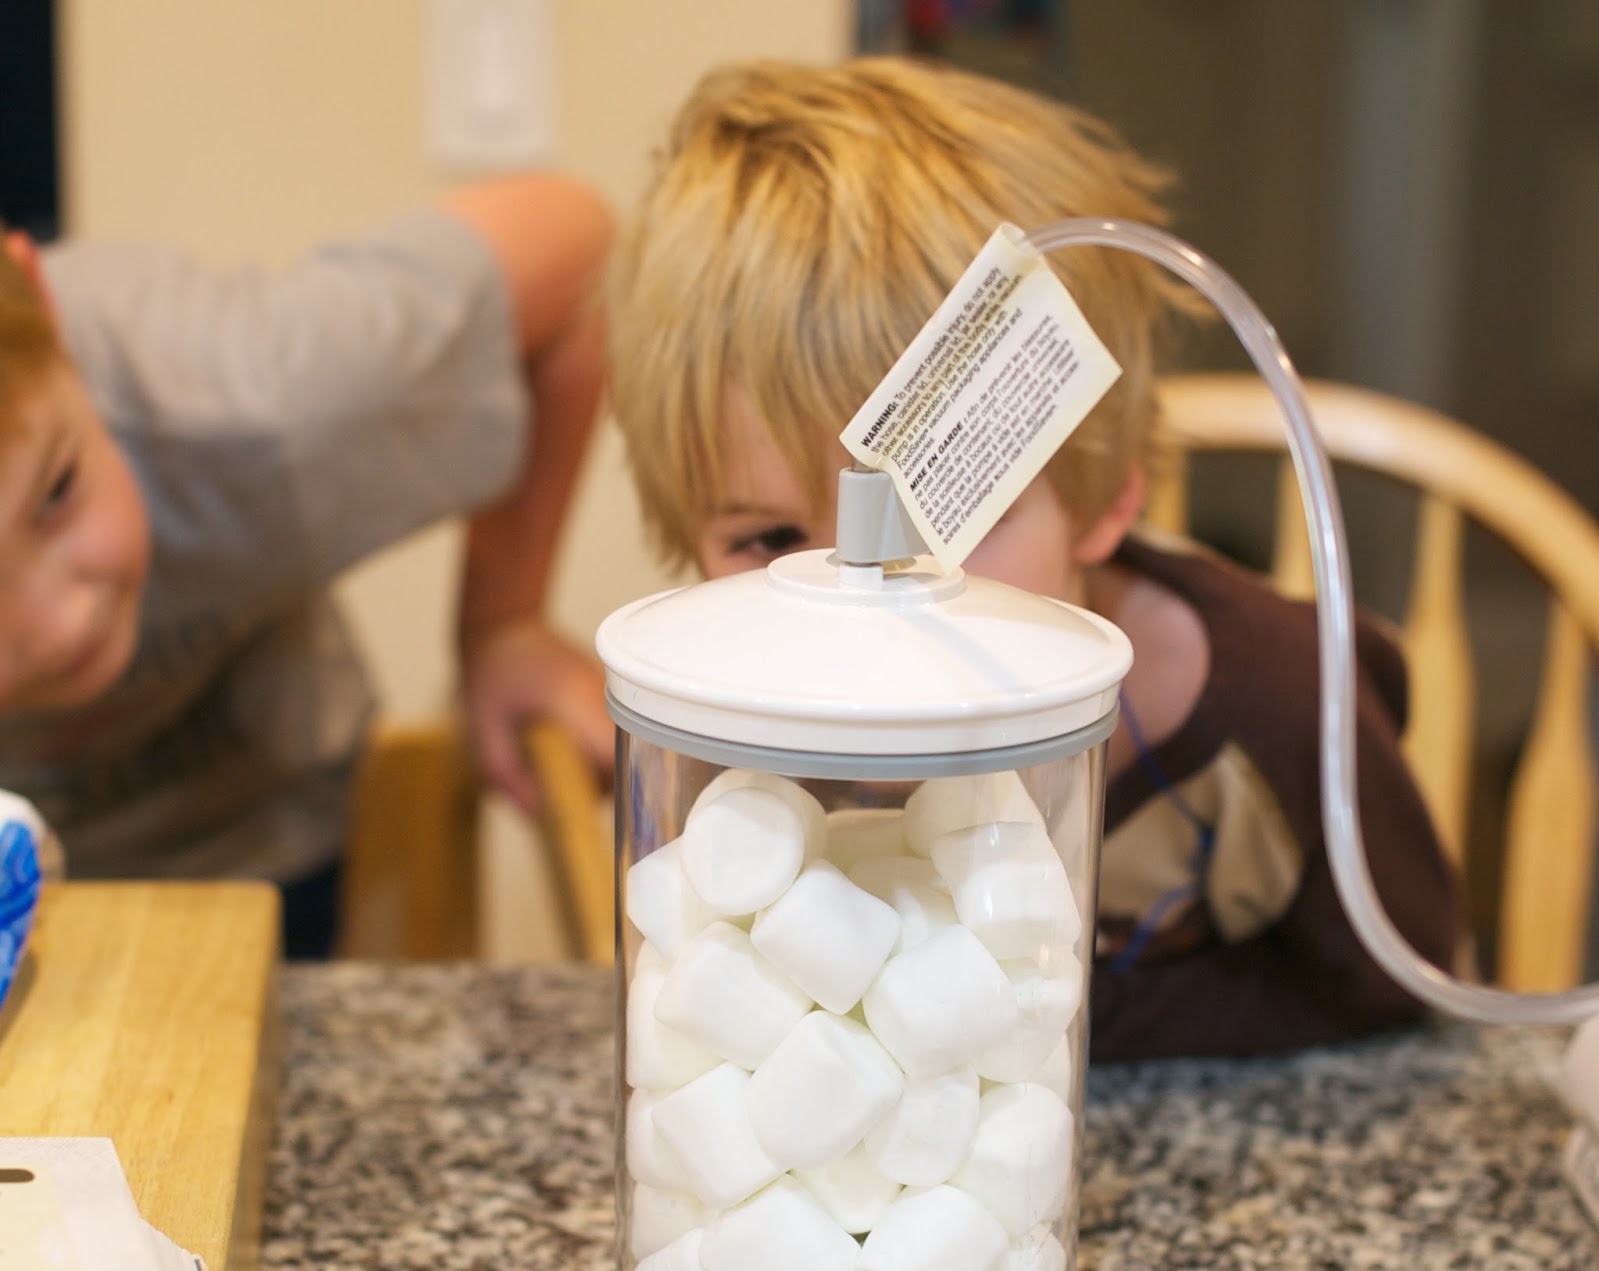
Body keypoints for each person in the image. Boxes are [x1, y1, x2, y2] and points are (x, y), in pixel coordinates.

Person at [604, 55, 1464, 1062]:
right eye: (769, 539)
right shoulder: (723, 718)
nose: (858, 592)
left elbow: (1396, 986)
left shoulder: (1279, 706)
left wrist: (1052, 1016)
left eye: (943, 516)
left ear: (1107, 497)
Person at [0, 172, 615, 957]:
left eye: (56, 492)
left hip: (280, 848)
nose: (59, 626)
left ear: (45, 306)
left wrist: (504, 621)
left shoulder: (252, 404)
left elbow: (575, 250)